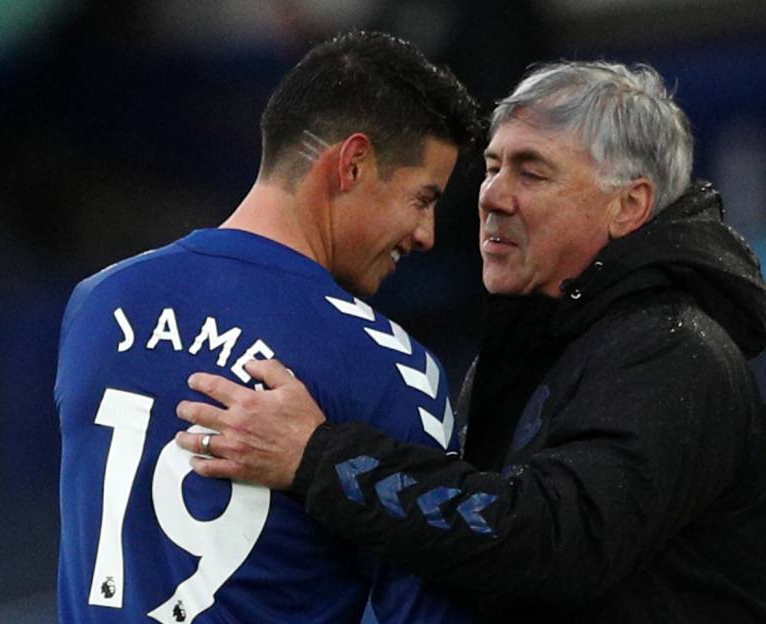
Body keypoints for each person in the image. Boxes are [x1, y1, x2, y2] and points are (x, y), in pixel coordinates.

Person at [177, 61, 766, 622]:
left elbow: (556, 539)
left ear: (628, 206)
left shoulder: (672, 349)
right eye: (492, 166)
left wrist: (318, 457)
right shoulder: (541, 343)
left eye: (531, 173)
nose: (492, 196)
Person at [55, 31, 484, 623]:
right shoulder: (390, 369)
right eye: (422, 198)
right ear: (353, 163)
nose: (427, 234)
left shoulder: (98, 302)